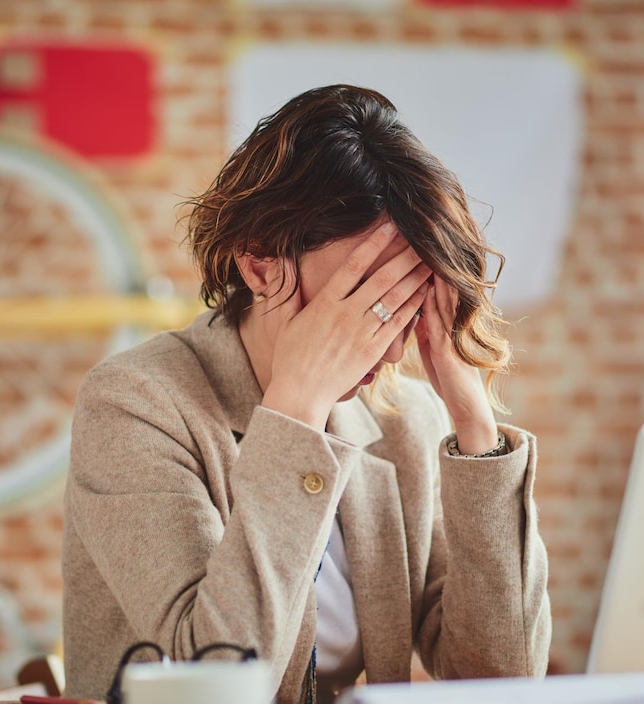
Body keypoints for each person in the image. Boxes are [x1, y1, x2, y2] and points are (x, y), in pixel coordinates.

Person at [62, 84, 551, 704]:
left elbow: (501, 679)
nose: (392, 350)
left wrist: (473, 420)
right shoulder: (136, 404)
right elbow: (220, 674)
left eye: (407, 302)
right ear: (261, 265)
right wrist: (294, 413)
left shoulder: (404, 420)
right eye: (368, 298)